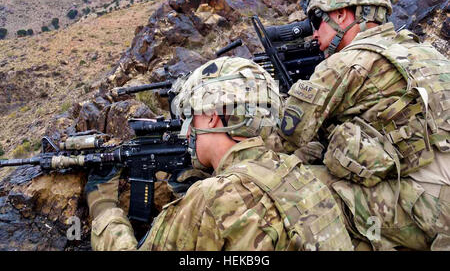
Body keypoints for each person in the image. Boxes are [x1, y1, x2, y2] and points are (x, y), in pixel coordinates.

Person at [85, 57, 353, 251]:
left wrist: (104, 209)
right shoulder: (303, 176)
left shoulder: (211, 199)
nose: (187, 129)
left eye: (191, 116)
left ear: (212, 116)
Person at [279, 0, 450, 250]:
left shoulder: (346, 63)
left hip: (435, 207)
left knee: (297, 189)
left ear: (341, 14)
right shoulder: (426, 51)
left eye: (315, 20)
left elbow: (285, 137)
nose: (313, 34)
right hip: (437, 190)